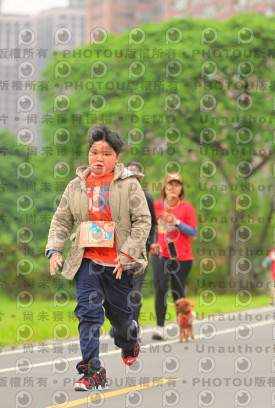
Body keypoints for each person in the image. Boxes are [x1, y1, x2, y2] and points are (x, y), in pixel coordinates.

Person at [45, 124, 151, 390]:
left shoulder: (129, 185)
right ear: (88, 155)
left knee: (120, 318)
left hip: (118, 263)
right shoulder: (75, 186)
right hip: (87, 260)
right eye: (94, 153)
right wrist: (54, 250)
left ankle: (129, 338)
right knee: (88, 313)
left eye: (106, 153)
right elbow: (61, 220)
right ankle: (93, 369)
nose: (99, 158)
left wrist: (127, 253)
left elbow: (142, 221)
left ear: (117, 157)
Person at [150, 173, 198, 340]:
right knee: (161, 288)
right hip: (159, 254)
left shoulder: (187, 207)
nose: (173, 188)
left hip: (181, 256)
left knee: (178, 290)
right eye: (170, 184)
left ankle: (183, 323)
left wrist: (177, 222)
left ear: (181, 189)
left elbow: (194, 232)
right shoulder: (155, 206)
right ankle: (160, 327)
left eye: (177, 185)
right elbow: (147, 226)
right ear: (164, 187)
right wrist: (152, 242)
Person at [124, 161, 158, 328]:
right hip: (119, 250)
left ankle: (133, 327)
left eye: (136, 174)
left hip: (140, 250)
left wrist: (154, 242)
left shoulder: (146, 197)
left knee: (135, 291)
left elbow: (154, 223)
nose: (132, 176)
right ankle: (120, 326)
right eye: (129, 172)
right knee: (118, 291)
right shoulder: (116, 196)